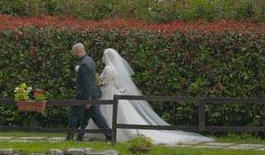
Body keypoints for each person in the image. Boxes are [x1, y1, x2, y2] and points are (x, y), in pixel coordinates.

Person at [82, 48, 212, 144]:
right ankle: (107, 134)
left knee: (107, 112)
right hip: (114, 91)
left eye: (103, 56)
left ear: (107, 57)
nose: (102, 58)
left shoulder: (108, 69)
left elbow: (105, 81)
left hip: (108, 91)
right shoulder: (115, 69)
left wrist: (98, 82)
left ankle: (107, 134)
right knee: (116, 114)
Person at [67, 43, 112, 142]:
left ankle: (69, 137)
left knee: (73, 114)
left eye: (73, 51)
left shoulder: (83, 64)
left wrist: (88, 99)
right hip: (93, 93)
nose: (73, 53)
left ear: (77, 51)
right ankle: (109, 135)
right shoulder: (90, 60)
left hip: (85, 95)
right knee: (96, 117)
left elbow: (87, 83)